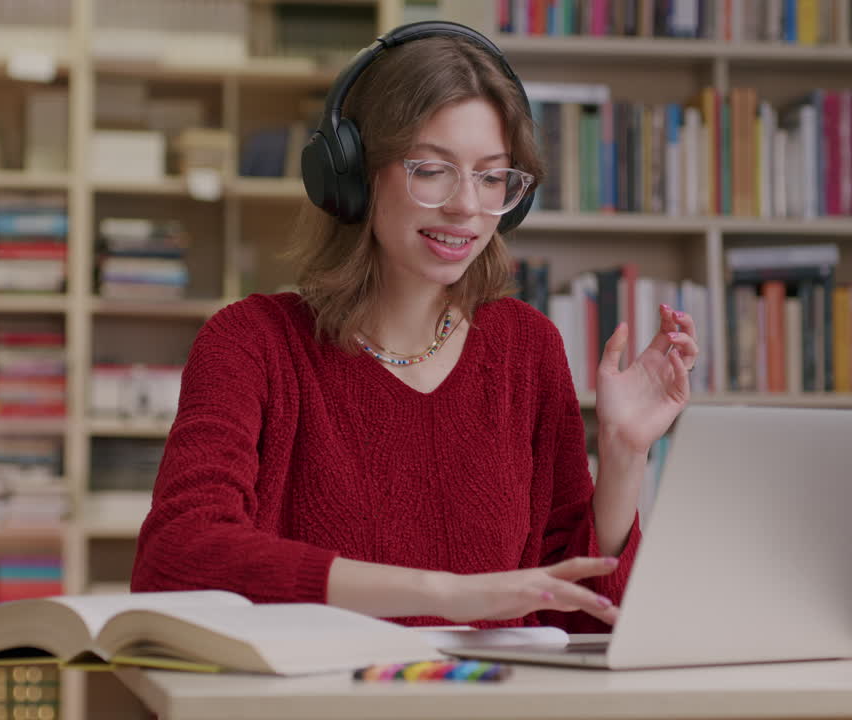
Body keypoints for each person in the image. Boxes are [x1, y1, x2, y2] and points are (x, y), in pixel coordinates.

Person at [130, 21, 700, 632]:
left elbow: (584, 620)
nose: (467, 206)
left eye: (490, 176)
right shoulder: (253, 342)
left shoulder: (527, 346)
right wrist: (444, 595)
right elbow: (176, 559)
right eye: (432, 169)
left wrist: (623, 457)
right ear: (352, 174)